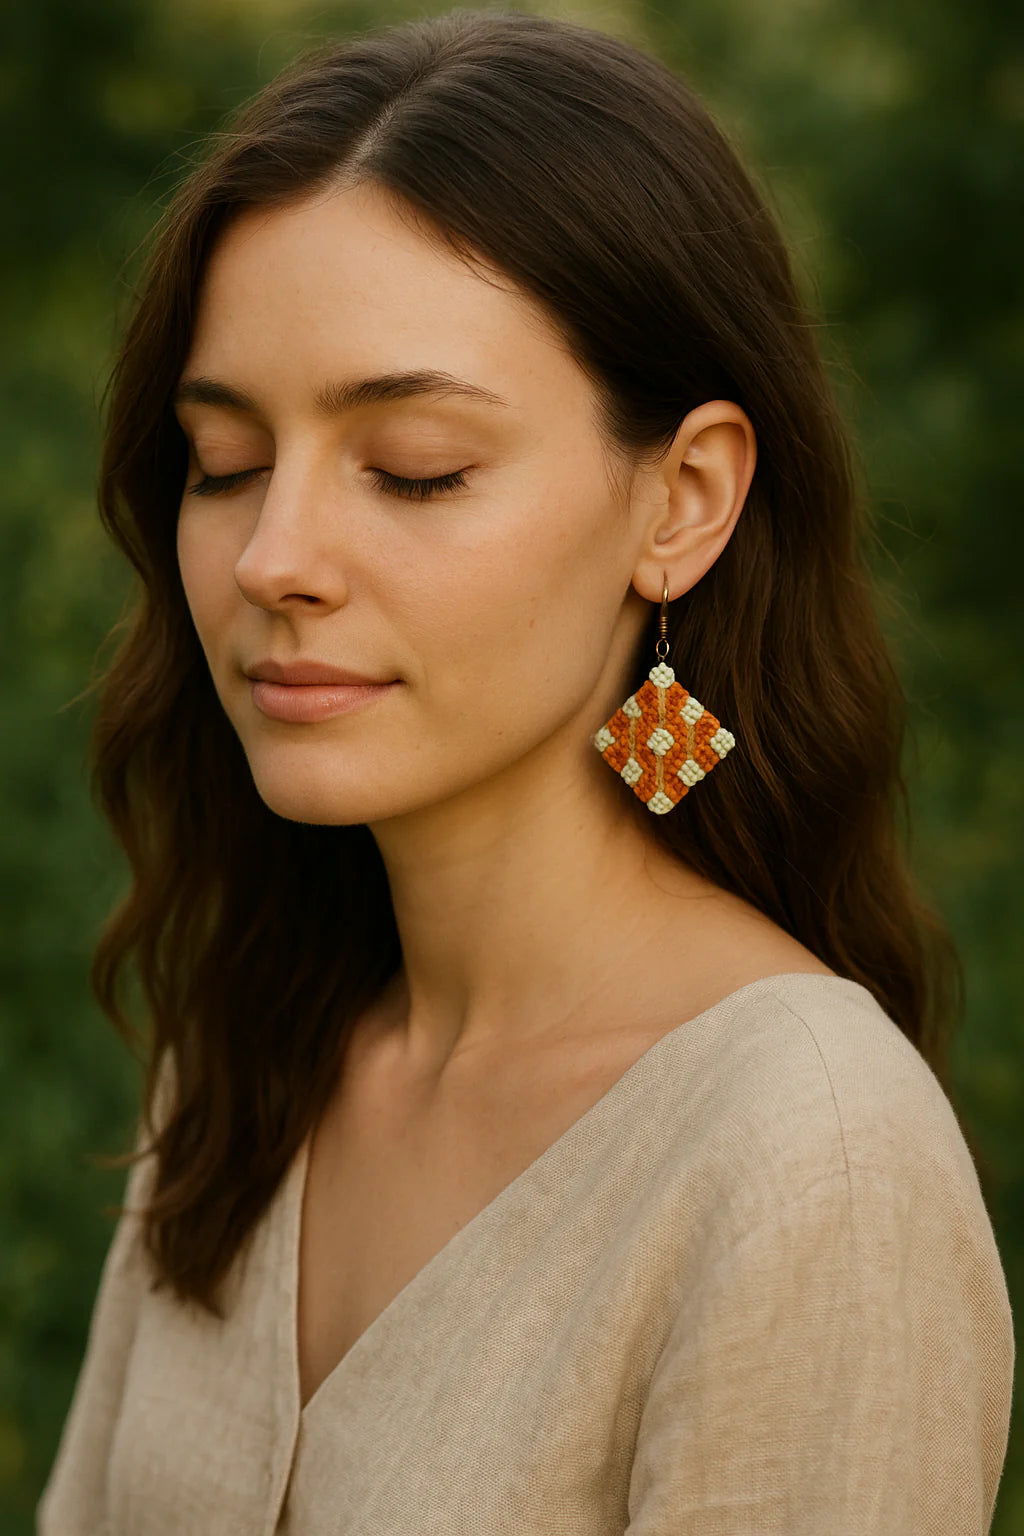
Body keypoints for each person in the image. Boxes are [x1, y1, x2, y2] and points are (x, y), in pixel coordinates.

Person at [37, 7, 1013, 1532]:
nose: (273, 556)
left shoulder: (808, 1162)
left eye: (414, 466)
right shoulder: (238, 1061)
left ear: (682, 500)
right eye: (224, 462)